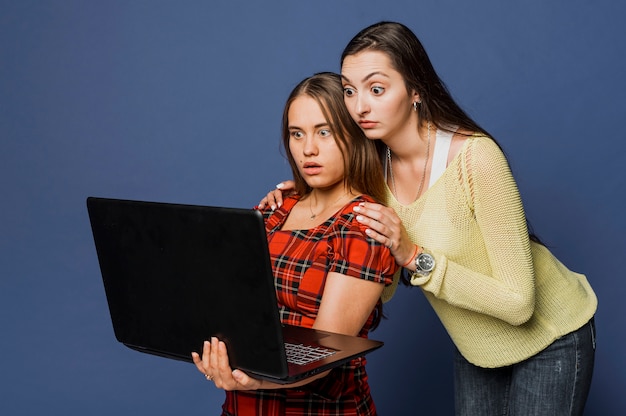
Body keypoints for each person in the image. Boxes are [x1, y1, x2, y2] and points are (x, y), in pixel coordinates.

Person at [258, 22, 598, 416]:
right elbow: (380, 287)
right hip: (476, 343)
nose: (360, 106)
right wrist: (306, 200)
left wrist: (414, 254)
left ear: (416, 90)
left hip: (551, 336)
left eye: (377, 89)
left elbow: (520, 304)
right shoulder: (373, 173)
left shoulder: (475, 158)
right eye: (350, 91)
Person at [192, 72, 398, 415]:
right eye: (296, 134)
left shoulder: (365, 225)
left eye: (324, 132)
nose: (308, 149)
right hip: (242, 407)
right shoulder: (274, 211)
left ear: (354, 134)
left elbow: (326, 352)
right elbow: (230, 307)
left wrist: (256, 379)